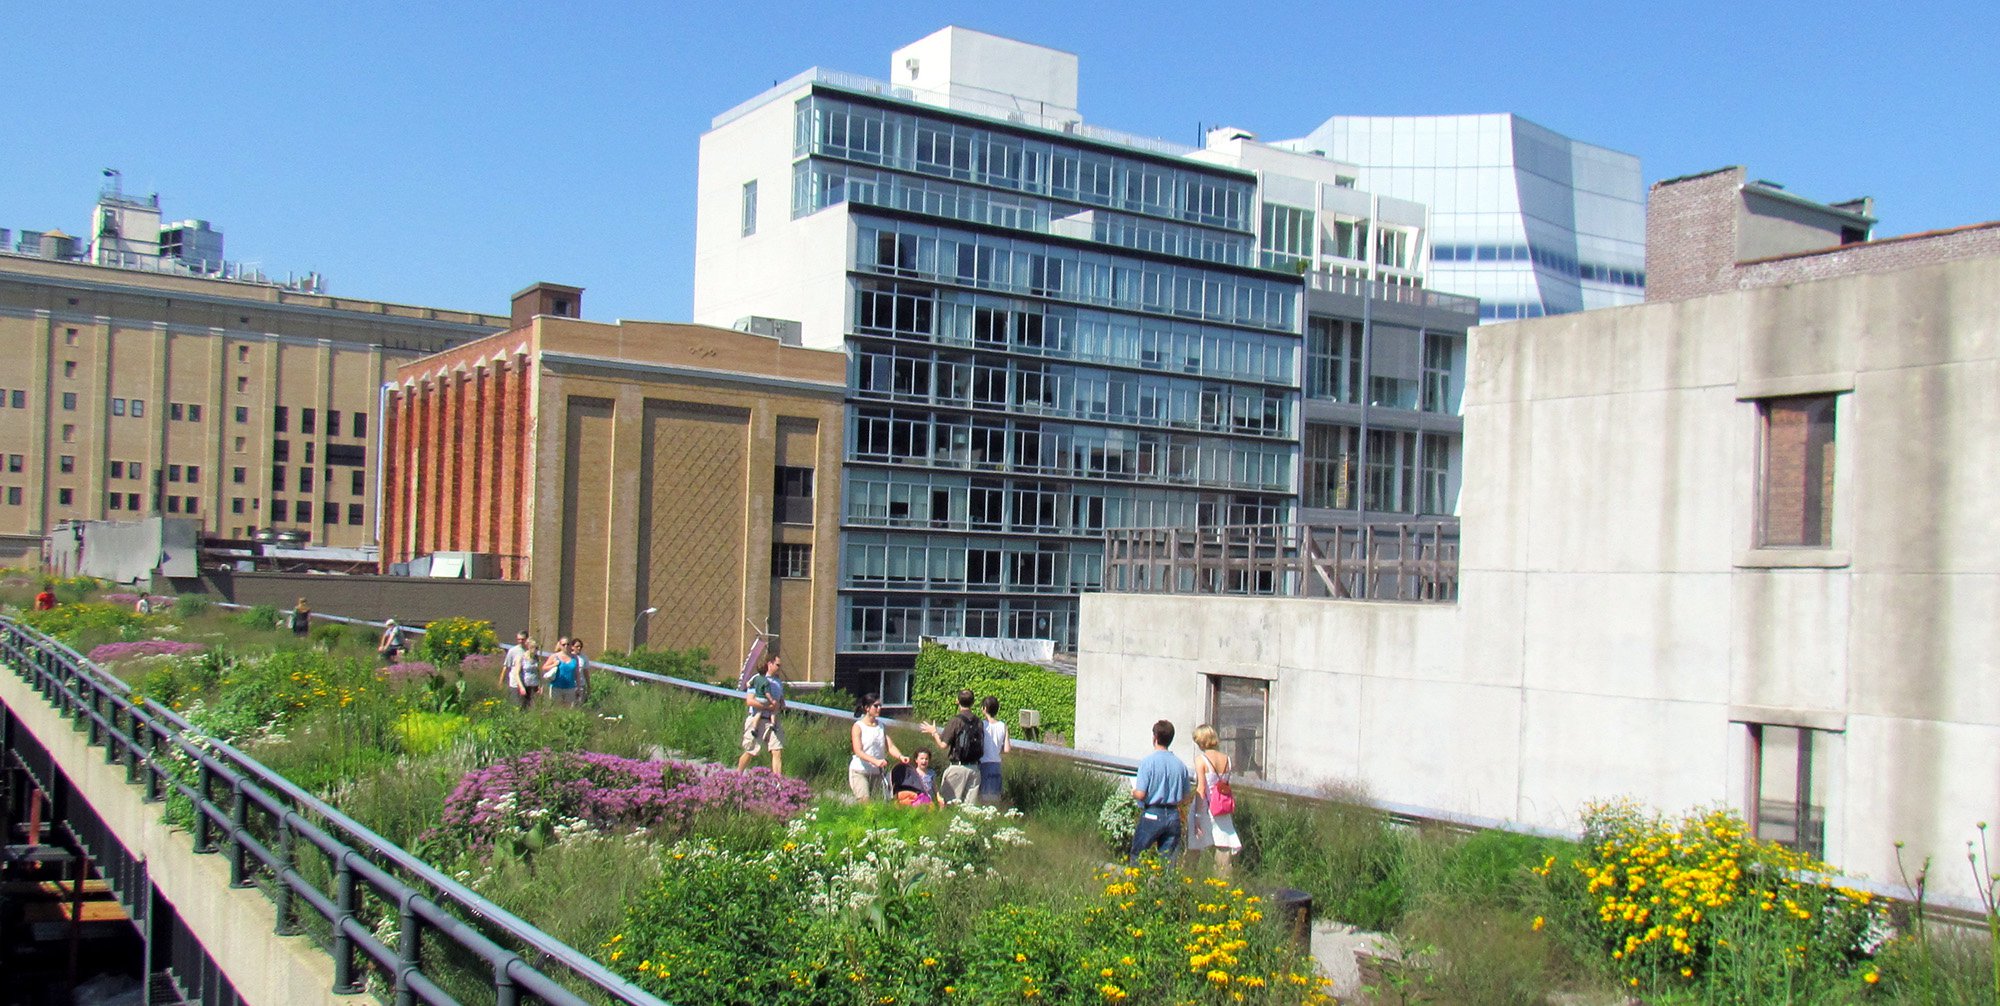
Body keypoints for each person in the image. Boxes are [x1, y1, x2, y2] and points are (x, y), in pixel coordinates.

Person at [1129, 719, 1191, 864]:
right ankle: (1166, 886)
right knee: (1168, 862)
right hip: (1173, 815)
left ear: (1155, 737)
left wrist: (1133, 792)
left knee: (1138, 855)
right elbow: (1186, 796)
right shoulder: (1180, 765)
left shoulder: (1148, 762)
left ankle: (1135, 885)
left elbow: (1141, 794)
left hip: (1152, 813)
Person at [1187, 724, 1243, 876]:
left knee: (1194, 847)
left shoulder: (1201, 760)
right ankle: (1223, 884)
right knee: (1223, 846)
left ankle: (1188, 880)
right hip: (1221, 807)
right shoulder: (1227, 760)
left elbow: (1201, 789)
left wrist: (1197, 816)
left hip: (1204, 807)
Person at [921, 689, 985, 806]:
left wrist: (934, 732)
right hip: (975, 769)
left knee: (948, 804)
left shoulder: (956, 721)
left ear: (957, 701)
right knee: (969, 809)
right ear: (973, 702)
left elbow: (943, 745)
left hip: (958, 768)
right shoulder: (979, 722)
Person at [847, 692, 909, 801]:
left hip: (876, 772)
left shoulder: (881, 726)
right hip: (859, 771)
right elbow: (858, 751)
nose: (879, 708)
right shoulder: (858, 726)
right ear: (867, 708)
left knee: (877, 803)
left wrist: (900, 756)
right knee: (865, 802)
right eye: (876, 706)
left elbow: (890, 746)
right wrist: (875, 761)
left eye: (880, 706)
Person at [735, 651, 786, 775]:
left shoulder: (778, 682)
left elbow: (781, 701)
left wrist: (781, 705)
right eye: (777, 665)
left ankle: (778, 783)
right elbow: (750, 701)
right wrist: (768, 706)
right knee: (751, 751)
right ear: (770, 664)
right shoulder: (757, 679)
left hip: (773, 720)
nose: (779, 668)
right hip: (758, 719)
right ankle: (737, 775)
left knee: (776, 751)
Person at [978, 694, 1011, 805]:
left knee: (982, 798)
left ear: (984, 709)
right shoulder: (1003, 726)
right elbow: (1006, 749)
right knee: (995, 798)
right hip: (997, 764)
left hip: (984, 763)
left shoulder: (982, 725)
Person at [504, 632, 540, 710]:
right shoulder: (521, 657)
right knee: (520, 706)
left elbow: (538, 672)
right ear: (529, 647)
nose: (535, 650)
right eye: (533, 647)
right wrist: (521, 687)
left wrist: (540, 685)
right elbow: (516, 673)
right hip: (523, 684)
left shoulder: (536, 658)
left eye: (536, 648)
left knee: (531, 707)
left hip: (533, 686)